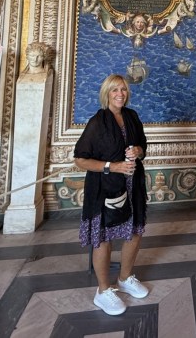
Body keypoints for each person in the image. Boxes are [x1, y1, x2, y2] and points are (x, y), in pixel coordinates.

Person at [73, 74, 149, 315]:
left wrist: (138, 150)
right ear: (106, 93)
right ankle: (103, 290)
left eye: (123, 89)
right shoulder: (97, 122)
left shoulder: (132, 116)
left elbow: (143, 146)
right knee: (104, 237)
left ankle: (125, 278)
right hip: (104, 188)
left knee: (135, 230)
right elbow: (80, 159)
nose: (120, 94)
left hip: (133, 184)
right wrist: (112, 167)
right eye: (115, 90)